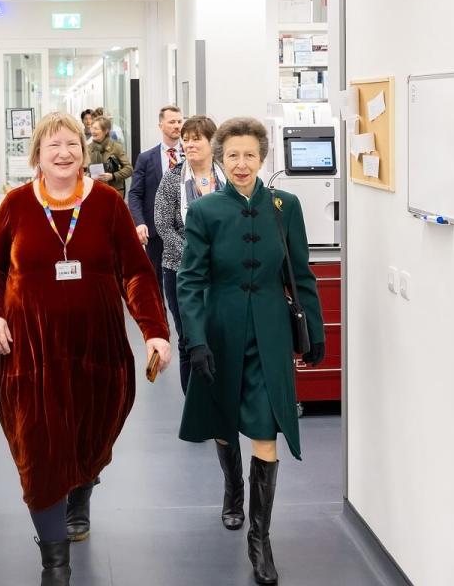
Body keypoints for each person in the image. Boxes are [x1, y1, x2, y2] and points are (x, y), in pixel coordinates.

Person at [0, 111, 171, 585]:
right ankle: (55, 564)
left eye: (72, 145)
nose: (64, 154)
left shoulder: (107, 203)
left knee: (88, 436)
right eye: (53, 146)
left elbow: (136, 273)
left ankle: (81, 487)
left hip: (97, 349)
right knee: (39, 449)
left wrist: (154, 331)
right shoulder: (17, 204)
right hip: (30, 353)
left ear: (84, 153)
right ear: (37, 156)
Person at [176, 117, 325, 585]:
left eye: (250, 155)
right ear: (221, 159)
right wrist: (194, 338)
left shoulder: (287, 206)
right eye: (233, 155)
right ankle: (232, 488)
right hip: (220, 329)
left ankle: (259, 540)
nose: (241, 164)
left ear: (263, 159)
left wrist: (315, 331)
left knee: (266, 426)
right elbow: (191, 279)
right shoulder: (204, 212)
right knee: (223, 420)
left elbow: (299, 273)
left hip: (271, 333)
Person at [153, 114, 224, 394]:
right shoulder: (172, 179)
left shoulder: (226, 177)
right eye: (186, 139)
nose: (189, 144)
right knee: (188, 338)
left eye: (197, 139)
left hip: (222, 272)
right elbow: (162, 223)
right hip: (180, 270)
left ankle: (219, 398)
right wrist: (193, 256)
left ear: (212, 142)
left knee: (218, 337)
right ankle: (194, 404)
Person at [128, 104, 184, 299]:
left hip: (185, 229)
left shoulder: (190, 154)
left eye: (179, 121)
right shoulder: (146, 158)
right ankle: (161, 323)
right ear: (161, 125)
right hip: (155, 230)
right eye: (172, 122)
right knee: (155, 281)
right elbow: (135, 194)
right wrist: (139, 222)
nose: (177, 126)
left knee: (185, 281)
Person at [87, 115, 133, 198]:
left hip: (114, 192)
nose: (93, 131)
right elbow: (80, 171)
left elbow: (129, 169)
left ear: (106, 131)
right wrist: (88, 176)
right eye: (92, 128)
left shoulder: (116, 147)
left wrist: (113, 176)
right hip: (92, 191)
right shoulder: (88, 149)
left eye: (96, 129)